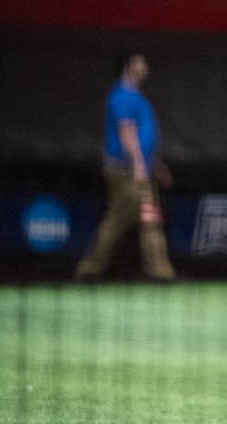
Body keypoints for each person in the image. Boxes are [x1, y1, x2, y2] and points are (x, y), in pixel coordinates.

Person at [75, 52, 176, 283]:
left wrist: (156, 165)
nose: (145, 66)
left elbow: (141, 134)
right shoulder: (122, 95)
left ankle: (161, 273)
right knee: (118, 219)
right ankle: (89, 269)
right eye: (141, 62)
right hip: (126, 171)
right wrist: (139, 164)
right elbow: (126, 132)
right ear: (129, 66)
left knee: (149, 219)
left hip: (140, 169)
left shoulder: (136, 96)